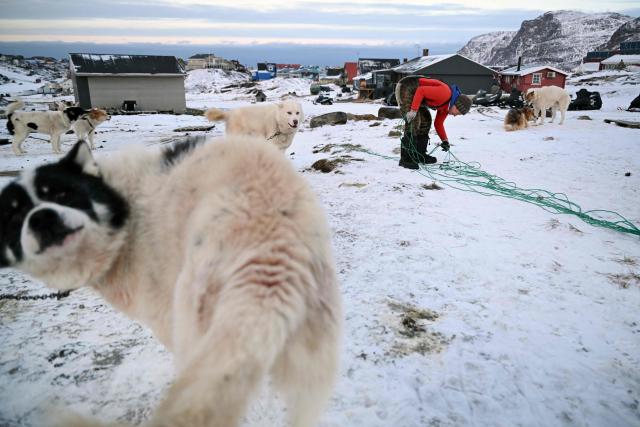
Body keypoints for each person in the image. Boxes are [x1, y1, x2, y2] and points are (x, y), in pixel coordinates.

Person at [396, 77, 472, 169]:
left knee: (426, 120)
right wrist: (413, 110)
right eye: (458, 113)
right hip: (407, 87)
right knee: (414, 120)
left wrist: (445, 140)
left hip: (417, 95)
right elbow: (421, 90)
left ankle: (419, 154)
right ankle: (406, 159)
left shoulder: (446, 108)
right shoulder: (444, 94)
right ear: (457, 106)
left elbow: (438, 124)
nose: (456, 116)